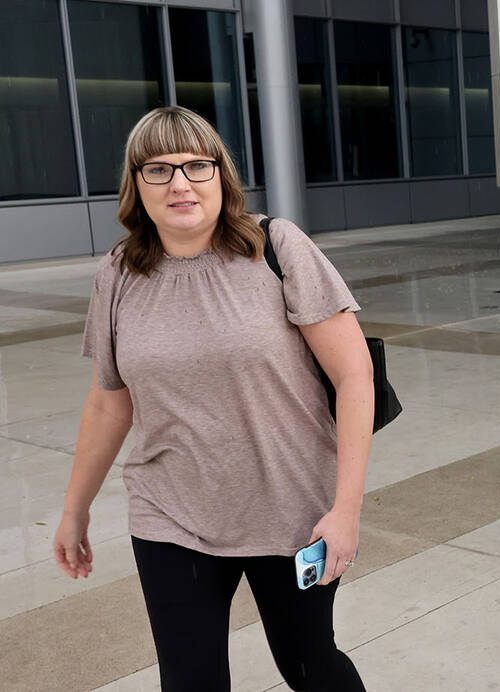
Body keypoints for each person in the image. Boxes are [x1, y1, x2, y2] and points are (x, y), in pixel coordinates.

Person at [51, 106, 372, 692]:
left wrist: (345, 509)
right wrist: (75, 510)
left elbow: (355, 377)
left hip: (291, 510)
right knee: (189, 680)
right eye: (158, 169)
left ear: (221, 173)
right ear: (135, 184)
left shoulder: (276, 246)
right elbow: (109, 403)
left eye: (196, 165)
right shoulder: (118, 272)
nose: (180, 183)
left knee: (310, 666)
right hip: (170, 512)